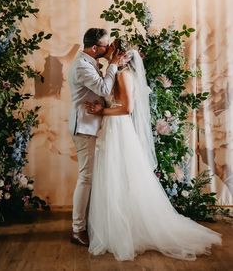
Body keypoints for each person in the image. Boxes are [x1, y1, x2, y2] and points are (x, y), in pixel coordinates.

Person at [85, 43, 222, 261]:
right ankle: (116, 227)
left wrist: (102, 110)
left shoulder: (124, 76)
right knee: (113, 177)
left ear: (119, 54)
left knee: (123, 176)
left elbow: (127, 109)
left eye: (111, 48)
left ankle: (128, 228)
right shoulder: (113, 73)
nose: (107, 50)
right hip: (110, 128)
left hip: (119, 129)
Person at [68, 28, 124, 247]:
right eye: (105, 45)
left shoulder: (89, 62)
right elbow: (103, 86)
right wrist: (114, 64)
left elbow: (96, 92)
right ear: (94, 48)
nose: (108, 48)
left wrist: (100, 104)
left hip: (90, 124)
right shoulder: (82, 65)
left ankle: (85, 224)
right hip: (83, 128)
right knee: (85, 178)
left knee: (89, 177)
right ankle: (77, 230)